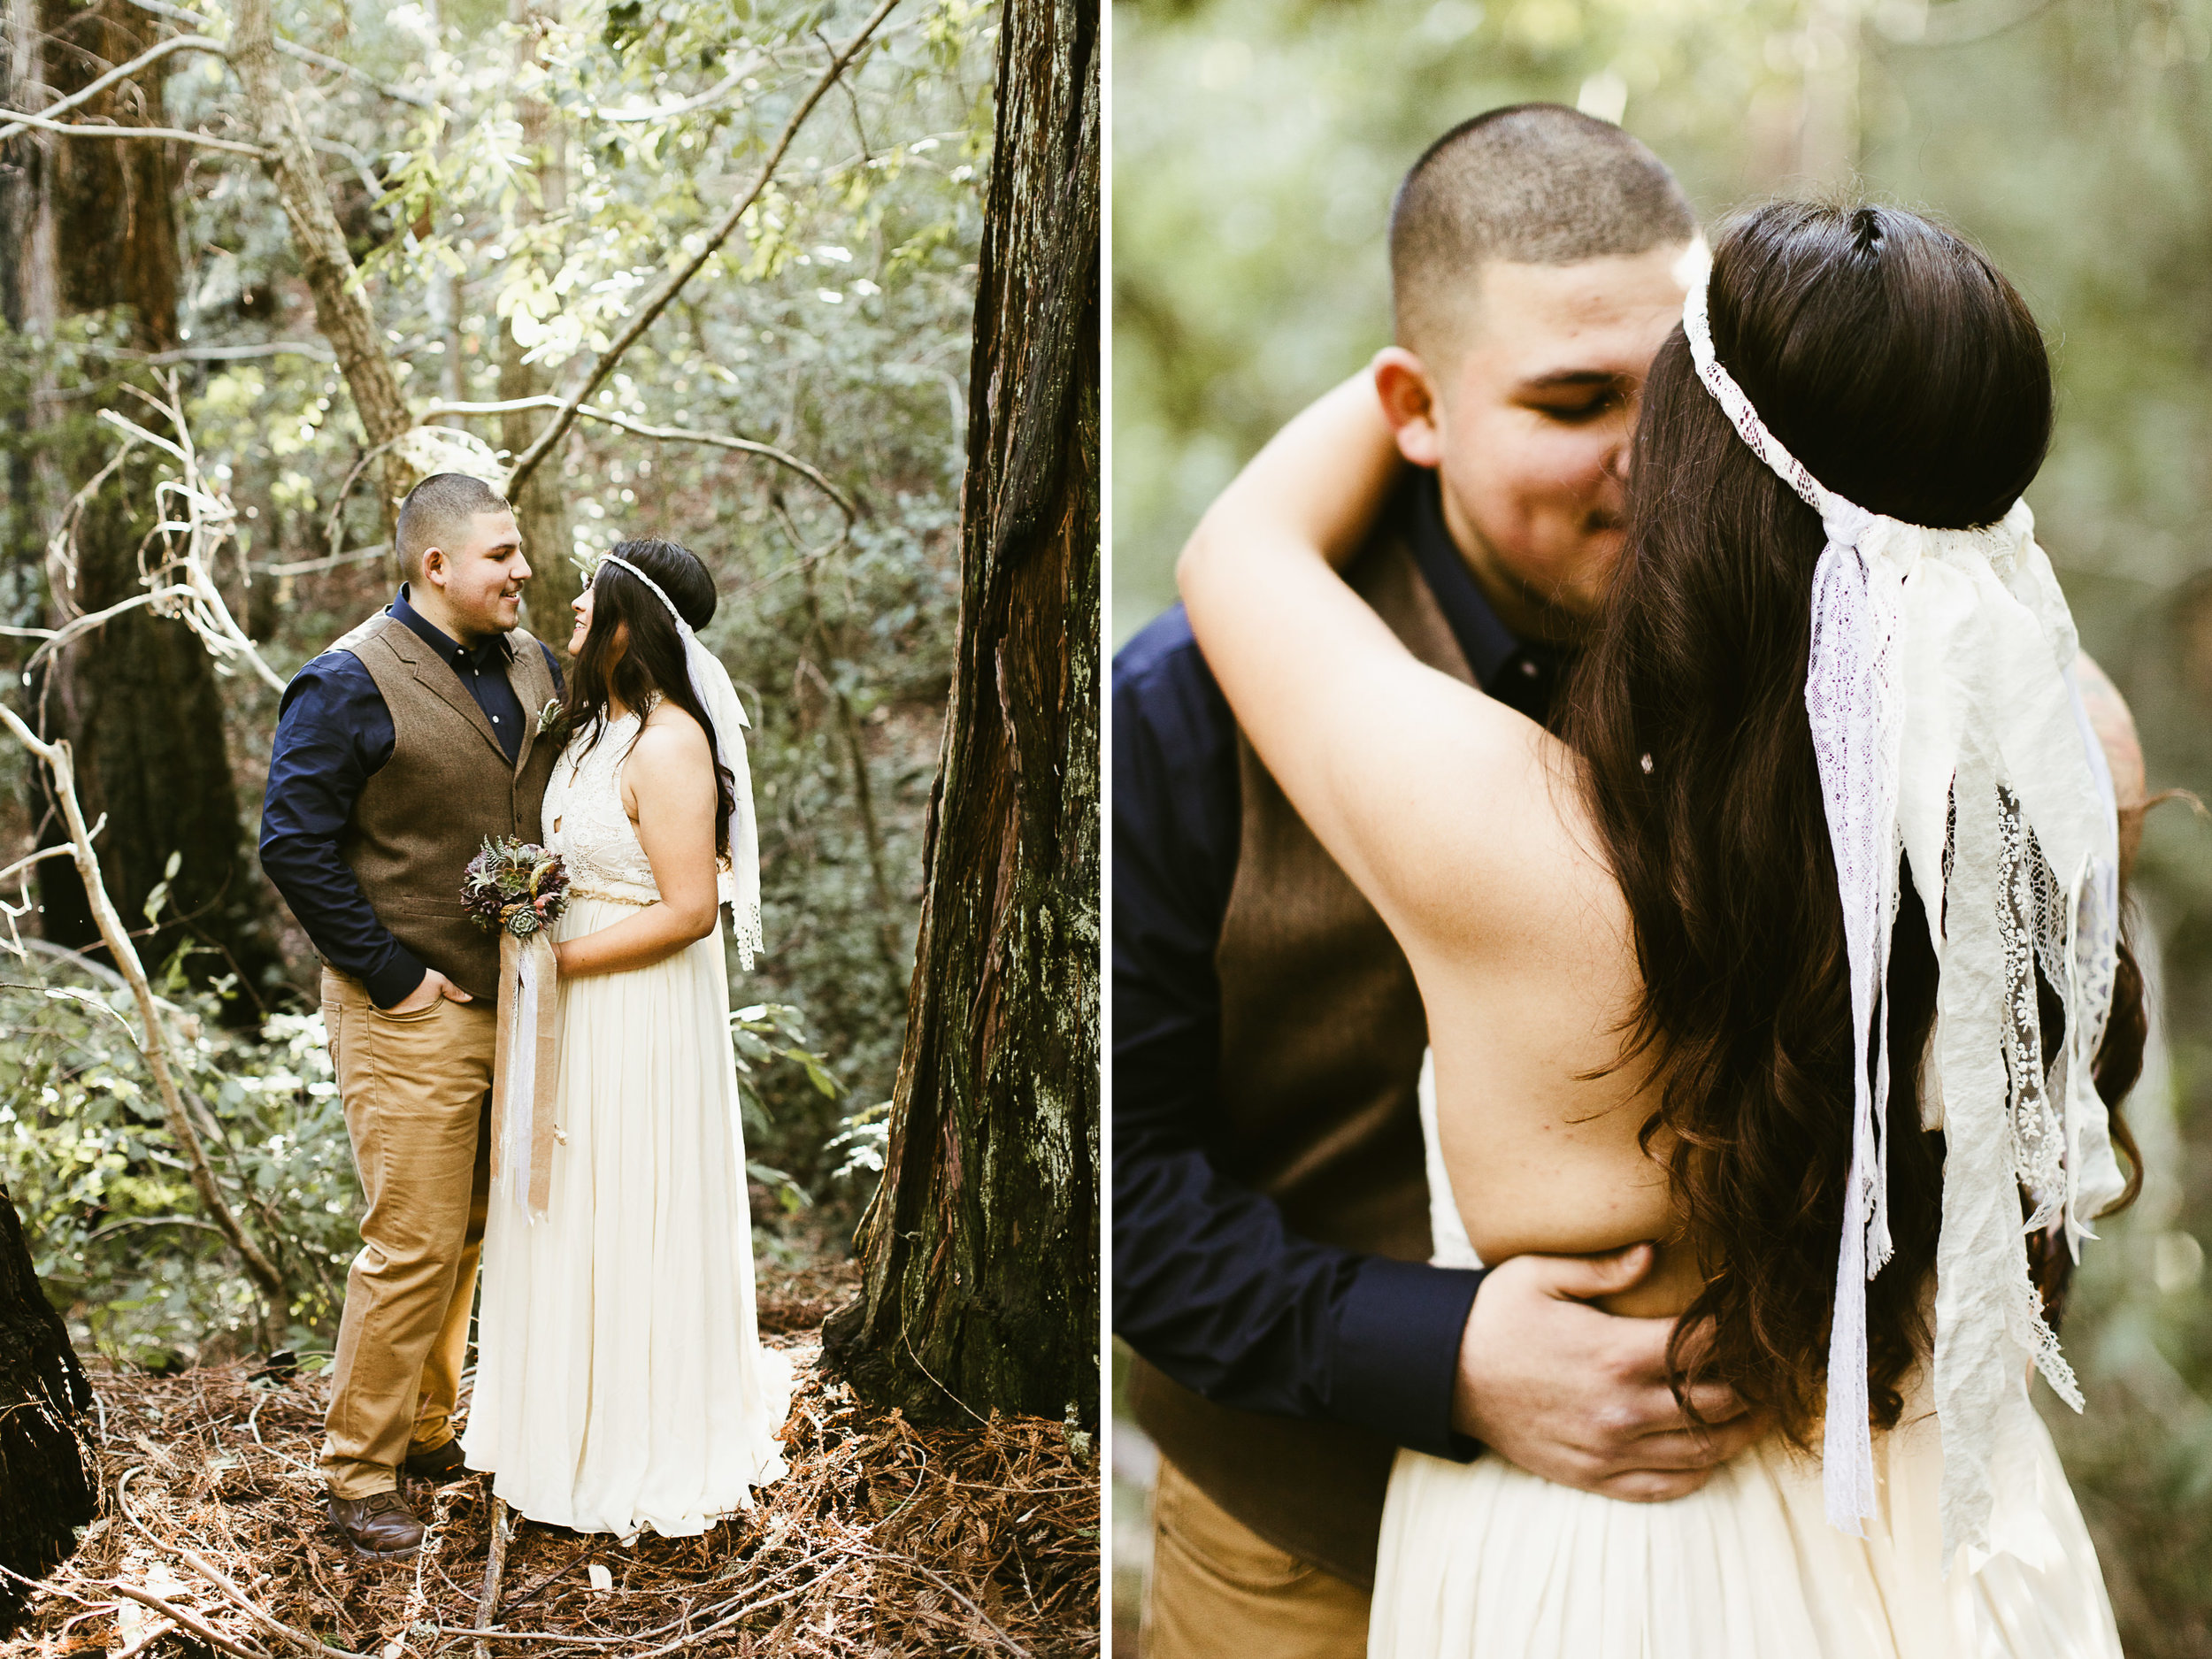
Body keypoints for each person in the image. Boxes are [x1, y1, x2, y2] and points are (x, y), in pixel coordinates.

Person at [1177, 200, 2151, 1655]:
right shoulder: (2078, 769)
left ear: (1691, 464)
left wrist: (1461, 340)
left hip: (1609, 1567)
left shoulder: (1507, 843)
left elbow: (1238, 551)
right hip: (1953, 1528)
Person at [1113, 106, 1760, 1655]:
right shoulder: (1192, 708)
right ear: (1411, 406)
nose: (1647, 465)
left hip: (1725, 1544)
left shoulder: (1787, 644)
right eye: (1572, 400)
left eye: (1680, 395)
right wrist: (1441, 1351)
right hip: (1304, 1546)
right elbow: (1123, 1186)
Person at [460, 537, 791, 1538]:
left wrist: (560, 962)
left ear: (626, 619)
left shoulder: (672, 741)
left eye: (585, 594)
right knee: (565, 1206)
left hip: (637, 1006)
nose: (564, 604)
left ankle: (639, 1436)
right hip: (570, 999)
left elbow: (691, 909)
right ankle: (557, 1427)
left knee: (627, 1197)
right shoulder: (596, 730)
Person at [259, 472, 564, 1558]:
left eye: (519, 552)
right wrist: (391, 975)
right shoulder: (345, 681)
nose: (521, 570)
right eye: (500, 555)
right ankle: (357, 1471)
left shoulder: (535, 664)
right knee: (412, 1240)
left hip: (519, 1007)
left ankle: (430, 1427)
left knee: (473, 1232)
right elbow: (291, 842)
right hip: (406, 1010)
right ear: (436, 566)